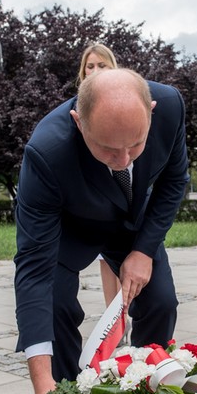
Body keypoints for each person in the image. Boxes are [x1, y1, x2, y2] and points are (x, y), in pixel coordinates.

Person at [15, 69, 190, 394]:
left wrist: (143, 250)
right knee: (56, 307)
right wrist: (41, 380)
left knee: (161, 301)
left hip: (131, 222)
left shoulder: (170, 106)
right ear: (79, 123)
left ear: (151, 111)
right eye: (109, 148)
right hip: (68, 228)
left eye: (136, 144)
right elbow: (34, 270)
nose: (123, 161)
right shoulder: (46, 152)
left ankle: (145, 391)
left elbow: (173, 181)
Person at [76, 43, 125, 310]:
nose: (95, 71)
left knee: (125, 255)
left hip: (123, 186)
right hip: (96, 189)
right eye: (90, 66)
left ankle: (128, 310)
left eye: (102, 65)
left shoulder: (124, 99)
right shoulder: (80, 108)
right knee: (105, 258)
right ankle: (112, 316)